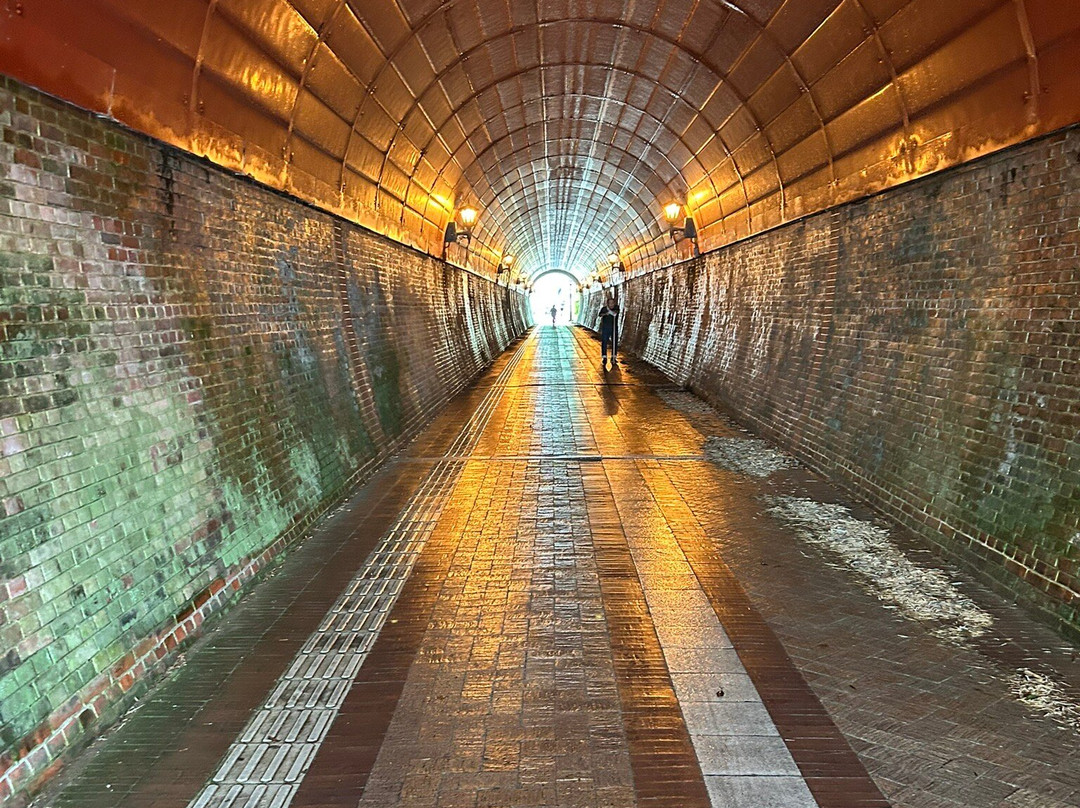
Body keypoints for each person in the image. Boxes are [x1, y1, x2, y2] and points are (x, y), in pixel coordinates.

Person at [596, 295, 620, 368]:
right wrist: (605, 313)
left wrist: (610, 312)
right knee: (604, 342)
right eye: (610, 303)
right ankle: (604, 357)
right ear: (607, 303)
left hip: (614, 328)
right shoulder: (604, 309)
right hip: (605, 328)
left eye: (612, 303)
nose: (611, 304)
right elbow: (600, 315)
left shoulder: (616, 308)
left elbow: (615, 313)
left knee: (614, 342)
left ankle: (614, 357)